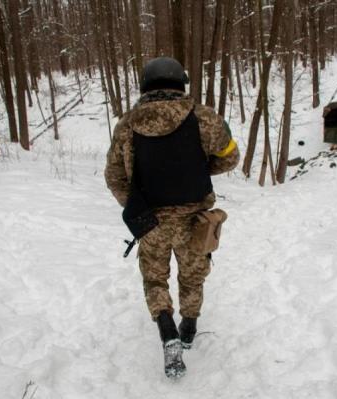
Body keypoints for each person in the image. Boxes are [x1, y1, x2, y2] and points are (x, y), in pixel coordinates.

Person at [104, 57, 239, 379]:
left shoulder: (126, 124)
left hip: (152, 222)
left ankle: (168, 333)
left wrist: (136, 207)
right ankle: (189, 327)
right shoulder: (205, 117)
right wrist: (202, 168)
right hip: (195, 218)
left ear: (145, 85)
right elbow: (230, 158)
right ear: (181, 82)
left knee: (154, 279)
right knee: (193, 276)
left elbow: (114, 176)